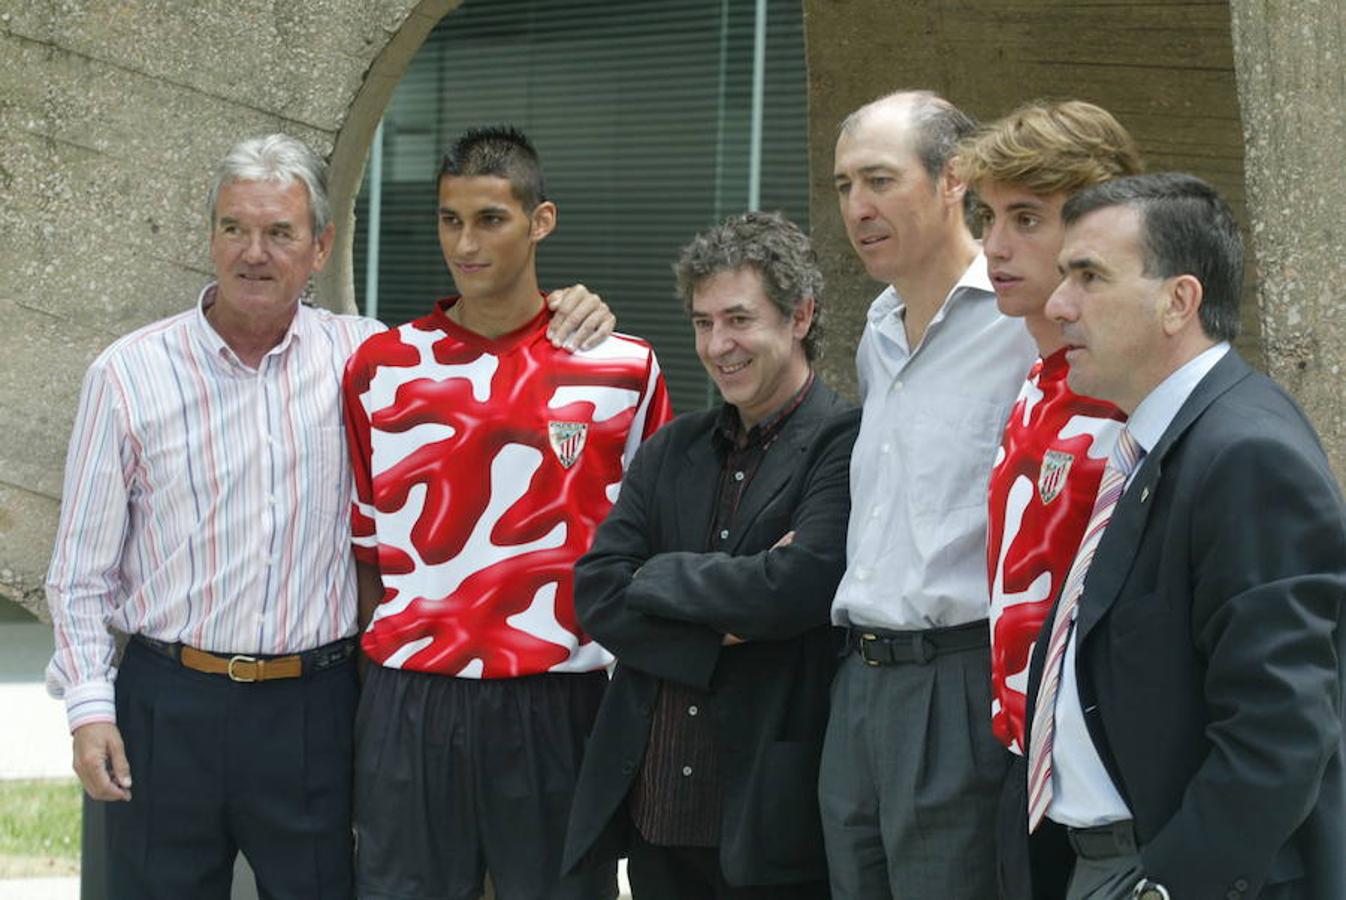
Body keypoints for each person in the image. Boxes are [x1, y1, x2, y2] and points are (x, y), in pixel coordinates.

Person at [43, 132, 615, 899]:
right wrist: (89, 709)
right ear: (210, 237)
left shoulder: (371, 361)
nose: (254, 253)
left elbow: (488, 352)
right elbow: (79, 574)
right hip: (167, 703)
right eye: (234, 228)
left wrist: (569, 310)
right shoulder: (126, 375)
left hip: (314, 708)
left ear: (320, 248)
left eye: (280, 233)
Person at [344, 125, 672, 900]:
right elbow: (366, 556)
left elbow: (655, 551)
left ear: (540, 220)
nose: (465, 243)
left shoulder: (622, 368)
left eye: (490, 219)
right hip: (411, 697)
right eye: (450, 219)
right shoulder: (380, 368)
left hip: (560, 700)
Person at [1024, 172, 1346, 899]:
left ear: (1179, 301)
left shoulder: (1245, 455)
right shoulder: (1159, 440)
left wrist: (1167, 887)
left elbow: (1280, 734)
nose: (1058, 304)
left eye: (1089, 276)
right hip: (1101, 859)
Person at [562, 211, 858, 899]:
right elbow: (597, 591)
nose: (718, 344)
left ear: (801, 315)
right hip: (657, 811)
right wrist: (730, 613)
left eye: (739, 320)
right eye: (703, 322)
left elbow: (797, 587)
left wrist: (654, 577)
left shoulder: (844, 441)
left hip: (770, 819)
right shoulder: (673, 447)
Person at [821, 89, 1037, 898]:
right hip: (858, 679)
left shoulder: (1023, 322)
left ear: (953, 181)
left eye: (879, 180)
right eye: (845, 185)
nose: (857, 207)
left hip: (959, 677)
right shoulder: (878, 329)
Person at [955, 100, 1143, 896]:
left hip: (1114, 788)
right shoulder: (1037, 380)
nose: (994, 245)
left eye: (1026, 218)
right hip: (1024, 762)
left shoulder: (1131, 397)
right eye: (988, 217)